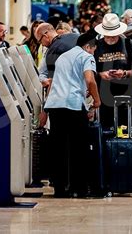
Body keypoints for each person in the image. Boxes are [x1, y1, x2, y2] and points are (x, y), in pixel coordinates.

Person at [44, 33, 101, 198]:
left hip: (55, 106)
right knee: (79, 148)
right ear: (88, 46)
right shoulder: (86, 57)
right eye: (94, 49)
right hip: (73, 105)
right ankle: (79, 188)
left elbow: (53, 82)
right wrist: (97, 100)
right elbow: (90, 80)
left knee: (59, 149)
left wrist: (45, 109)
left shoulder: (62, 57)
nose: (93, 53)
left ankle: (60, 189)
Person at [93, 13, 132, 129]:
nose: (110, 38)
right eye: (107, 36)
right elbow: (88, 73)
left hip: (126, 100)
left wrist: (125, 73)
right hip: (103, 100)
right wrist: (101, 75)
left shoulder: (129, 44)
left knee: (125, 136)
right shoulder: (96, 46)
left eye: (113, 36)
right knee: (104, 135)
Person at [34, 22, 79, 89]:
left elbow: (52, 83)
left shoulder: (52, 51)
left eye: (40, 41)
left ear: (45, 35)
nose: (42, 45)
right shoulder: (77, 37)